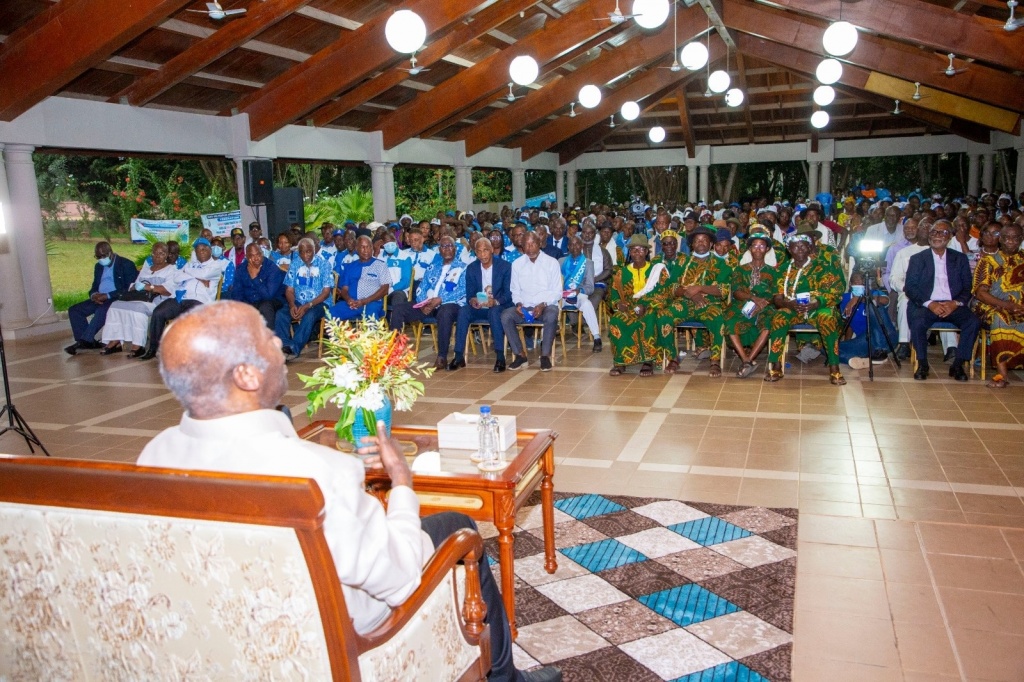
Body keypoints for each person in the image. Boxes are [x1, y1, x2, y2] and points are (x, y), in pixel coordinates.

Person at [137, 301, 561, 682]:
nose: (280, 343)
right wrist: (402, 486)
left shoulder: (153, 457)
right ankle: (507, 680)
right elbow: (400, 578)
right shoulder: (318, 474)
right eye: (268, 337)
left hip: (223, 633)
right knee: (460, 528)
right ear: (246, 375)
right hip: (349, 636)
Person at [765, 231, 846, 384]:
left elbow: (836, 293)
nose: (800, 250)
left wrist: (817, 302)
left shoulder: (823, 267)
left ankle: (835, 369)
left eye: (804, 246)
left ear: (810, 249)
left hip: (818, 307)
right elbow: (777, 298)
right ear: (789, 250)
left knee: (827, 319)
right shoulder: (782, 270)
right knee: (779, 317)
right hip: (792, 307)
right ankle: (776, 365)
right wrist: (788, 304)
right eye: (796, 247)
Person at [904, 219, 980, 381]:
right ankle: (923, 363)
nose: (937, 236)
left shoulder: (959, 258)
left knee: (972, 322)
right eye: (933, 232)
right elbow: (910, 287)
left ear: (950, 237)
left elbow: (968, 287)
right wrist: (930, 304)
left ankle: (958, 364)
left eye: (942, 232)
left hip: (953, 304)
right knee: (917, 322)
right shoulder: (918, 258)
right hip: (926, 304)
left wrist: (955, 303)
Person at [133, 238, 228, 360]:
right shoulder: (190, 264)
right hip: (179, 297)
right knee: (158, 312)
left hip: (198, 300)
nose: (201, 252)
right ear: (195, 252)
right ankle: (153, 348)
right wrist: (196, 275)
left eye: (204, 249)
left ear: (210, 250)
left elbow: (204, 274)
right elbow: (176, 278)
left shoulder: (215, 265)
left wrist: (188, 273)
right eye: (198, 250)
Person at [657, 225, 731, 378]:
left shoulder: (720, 263)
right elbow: (672, 288)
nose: (701, 243)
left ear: (711, 244)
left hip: (709, 304)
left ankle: (715, 360)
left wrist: (698, 288)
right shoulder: (682, 262)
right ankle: (673, 357)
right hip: (684, 302)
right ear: (692, 244)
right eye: (697, 240)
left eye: (705, 240)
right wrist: (690, 294)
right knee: (663, 316)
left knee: (718, 319)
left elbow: (722, 291)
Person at [390, 236, 467, 371]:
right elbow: (422, 287)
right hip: (428, 304)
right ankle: (394, 353)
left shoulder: (463, 268)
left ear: (455, 249)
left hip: (450, 304)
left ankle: (442, 357)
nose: (447, 249)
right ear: (439, 250)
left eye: (450, 246)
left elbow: (462, 290)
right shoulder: (433, 267)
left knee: (445, 312)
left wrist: (440, 299)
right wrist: (424, 303)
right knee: (398, 309)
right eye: (443, 246)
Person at [99, 242, 179, 355]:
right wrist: (134, 286)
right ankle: (115, 340)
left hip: (157, 301)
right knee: (115, 305)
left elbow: (168, 290)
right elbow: (135, 284)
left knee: (138, 308)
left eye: (161, 253)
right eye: (155, 253)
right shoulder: (147, 268)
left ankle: (138, 345)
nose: (157, 256)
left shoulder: (172, 269)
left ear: (166, 255)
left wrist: (148, 287)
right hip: (139, 297)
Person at [608, 234, 668, 377]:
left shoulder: (657, 270)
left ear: (647, 252)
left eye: (641, 249)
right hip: (628, 308)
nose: (637, 253)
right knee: (616, 321)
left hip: (650, 307)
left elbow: (664, 294)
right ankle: (620, 361)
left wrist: (646, 306)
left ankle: (648, 361)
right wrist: (618, 306)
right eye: (633, 250)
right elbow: (613, 296)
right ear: (629, 252)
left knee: (649, 319)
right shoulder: (622, 273)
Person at [972, 223, 1024, 387]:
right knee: (1001, 318)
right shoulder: (989, 261)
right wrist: (1006, 305)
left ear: (1021, 239)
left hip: (1020, 305)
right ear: (1000, 239)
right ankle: (1002, 375)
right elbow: (980, 293)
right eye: (1007, 237)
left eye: (1015, 237)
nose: (1011, 241)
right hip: (992, 304)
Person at [501, 232, 563, 371]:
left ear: (539, 244)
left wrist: (543, 304)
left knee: (552, 314)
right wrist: (518, 304)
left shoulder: (551, 263)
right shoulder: (517, 264)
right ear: (522, 246)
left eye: (532, 244)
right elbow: (515, 290)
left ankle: (545, 356)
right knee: (506, 315)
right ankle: (520, 355)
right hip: (525, 307)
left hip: (545, 306)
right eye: (526, 245)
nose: (529, 248)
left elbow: (557, 292)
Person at [65, 241, 139, 355]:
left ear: (111, 252)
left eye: (103, 256)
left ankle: (84, 341)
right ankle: (87, 342)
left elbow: (129, 288)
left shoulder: (125, 264)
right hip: (100, 297)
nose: (101, 259)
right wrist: (94, 295)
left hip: (116, 298)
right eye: (98, 257)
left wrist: (108, 295)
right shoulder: (99, 266)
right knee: (74, 310)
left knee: (101, 311)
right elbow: (94, 285)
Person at [453, 237, 513, 373]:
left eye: (485, 250)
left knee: (494, 312)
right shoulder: (472, 268)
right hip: (480, 307)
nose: (482, 255)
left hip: (499, 306)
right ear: (475, 253)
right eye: (479, 251)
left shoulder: (505, 267)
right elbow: (469, 294)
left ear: (491, 250)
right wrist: (473, 300)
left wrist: (495, 301)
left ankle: (500, 356)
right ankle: (458, 356)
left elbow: (509, 294)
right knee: (463, 311)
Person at [724, 232, 777, 378]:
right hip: (743, 304)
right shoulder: (740, 270)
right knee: (730, 320)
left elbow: (776, 295)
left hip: (766, 306)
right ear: (750, 249)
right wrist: (753, 299)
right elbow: (736, 292)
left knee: (768, 324)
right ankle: (746, 360)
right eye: (754, 246)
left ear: (767, 249)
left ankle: (748, 360)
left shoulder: (773, 272)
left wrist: (763, 303)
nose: (758, 249)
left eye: (762, 246)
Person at [274, 238, 334, 359]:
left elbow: (326, 292)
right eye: (301, 252)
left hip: (320, 302)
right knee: (281, 314)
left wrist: (308, 305)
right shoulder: (295, 264)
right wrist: (292, 305)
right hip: (298, 301)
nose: (305, 255)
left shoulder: (324, 264)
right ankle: (285, 345)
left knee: (310, 315)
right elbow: (289, 290)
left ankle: (293, 348)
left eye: (308, 251)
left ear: (314, 250)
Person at [838, 271, 898, 370]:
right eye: (856, 283)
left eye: (861, 284)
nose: (859, 285)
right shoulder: (845, 299)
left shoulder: (874, 293)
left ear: (866, 285)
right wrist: (847, 342)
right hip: (865, 340)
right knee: (831, 348)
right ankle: (854, 360)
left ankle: (880, 351)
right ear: (850, 284)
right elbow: (850, 324)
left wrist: (860, 299)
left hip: (886, 337)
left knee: (873, 305)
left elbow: (885, 300)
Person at [329, 235, 392, 322]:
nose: (366, 250)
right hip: (351, 304)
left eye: (368, 247)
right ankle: (341, 335)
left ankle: (371, 336)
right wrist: (348, 300)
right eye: (362, 247)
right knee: (331, 313)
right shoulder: (350, 266)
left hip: (371, 303)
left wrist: (365, 301)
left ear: (372, 248)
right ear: (356, 248)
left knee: (371, 315)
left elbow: (385, 289)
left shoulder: (381, 265)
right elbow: (344, 289)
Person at [559, 235, 602, 352]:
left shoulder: (588, 263)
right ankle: (545, 338)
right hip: (562, 295)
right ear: (568, 247)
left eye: (577, 244)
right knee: (550, 307)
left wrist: (579, 291)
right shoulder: (561, 261)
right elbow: (556, 282)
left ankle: (597, 337)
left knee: (587, 304)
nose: (574, 247)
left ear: (582, 246)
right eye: (571, 244)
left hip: (579, 295)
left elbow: (590, 287)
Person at [230, 242, 286, 328]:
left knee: (265, 306)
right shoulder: (241, 269)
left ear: (262, 254)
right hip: (250, 301)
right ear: (247, 257)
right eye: (252, 255)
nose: (256, 258)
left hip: (273, 300)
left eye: (258, 254)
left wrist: (254, 277)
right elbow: (237, 292)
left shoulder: (271, 267)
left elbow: (268, 296)